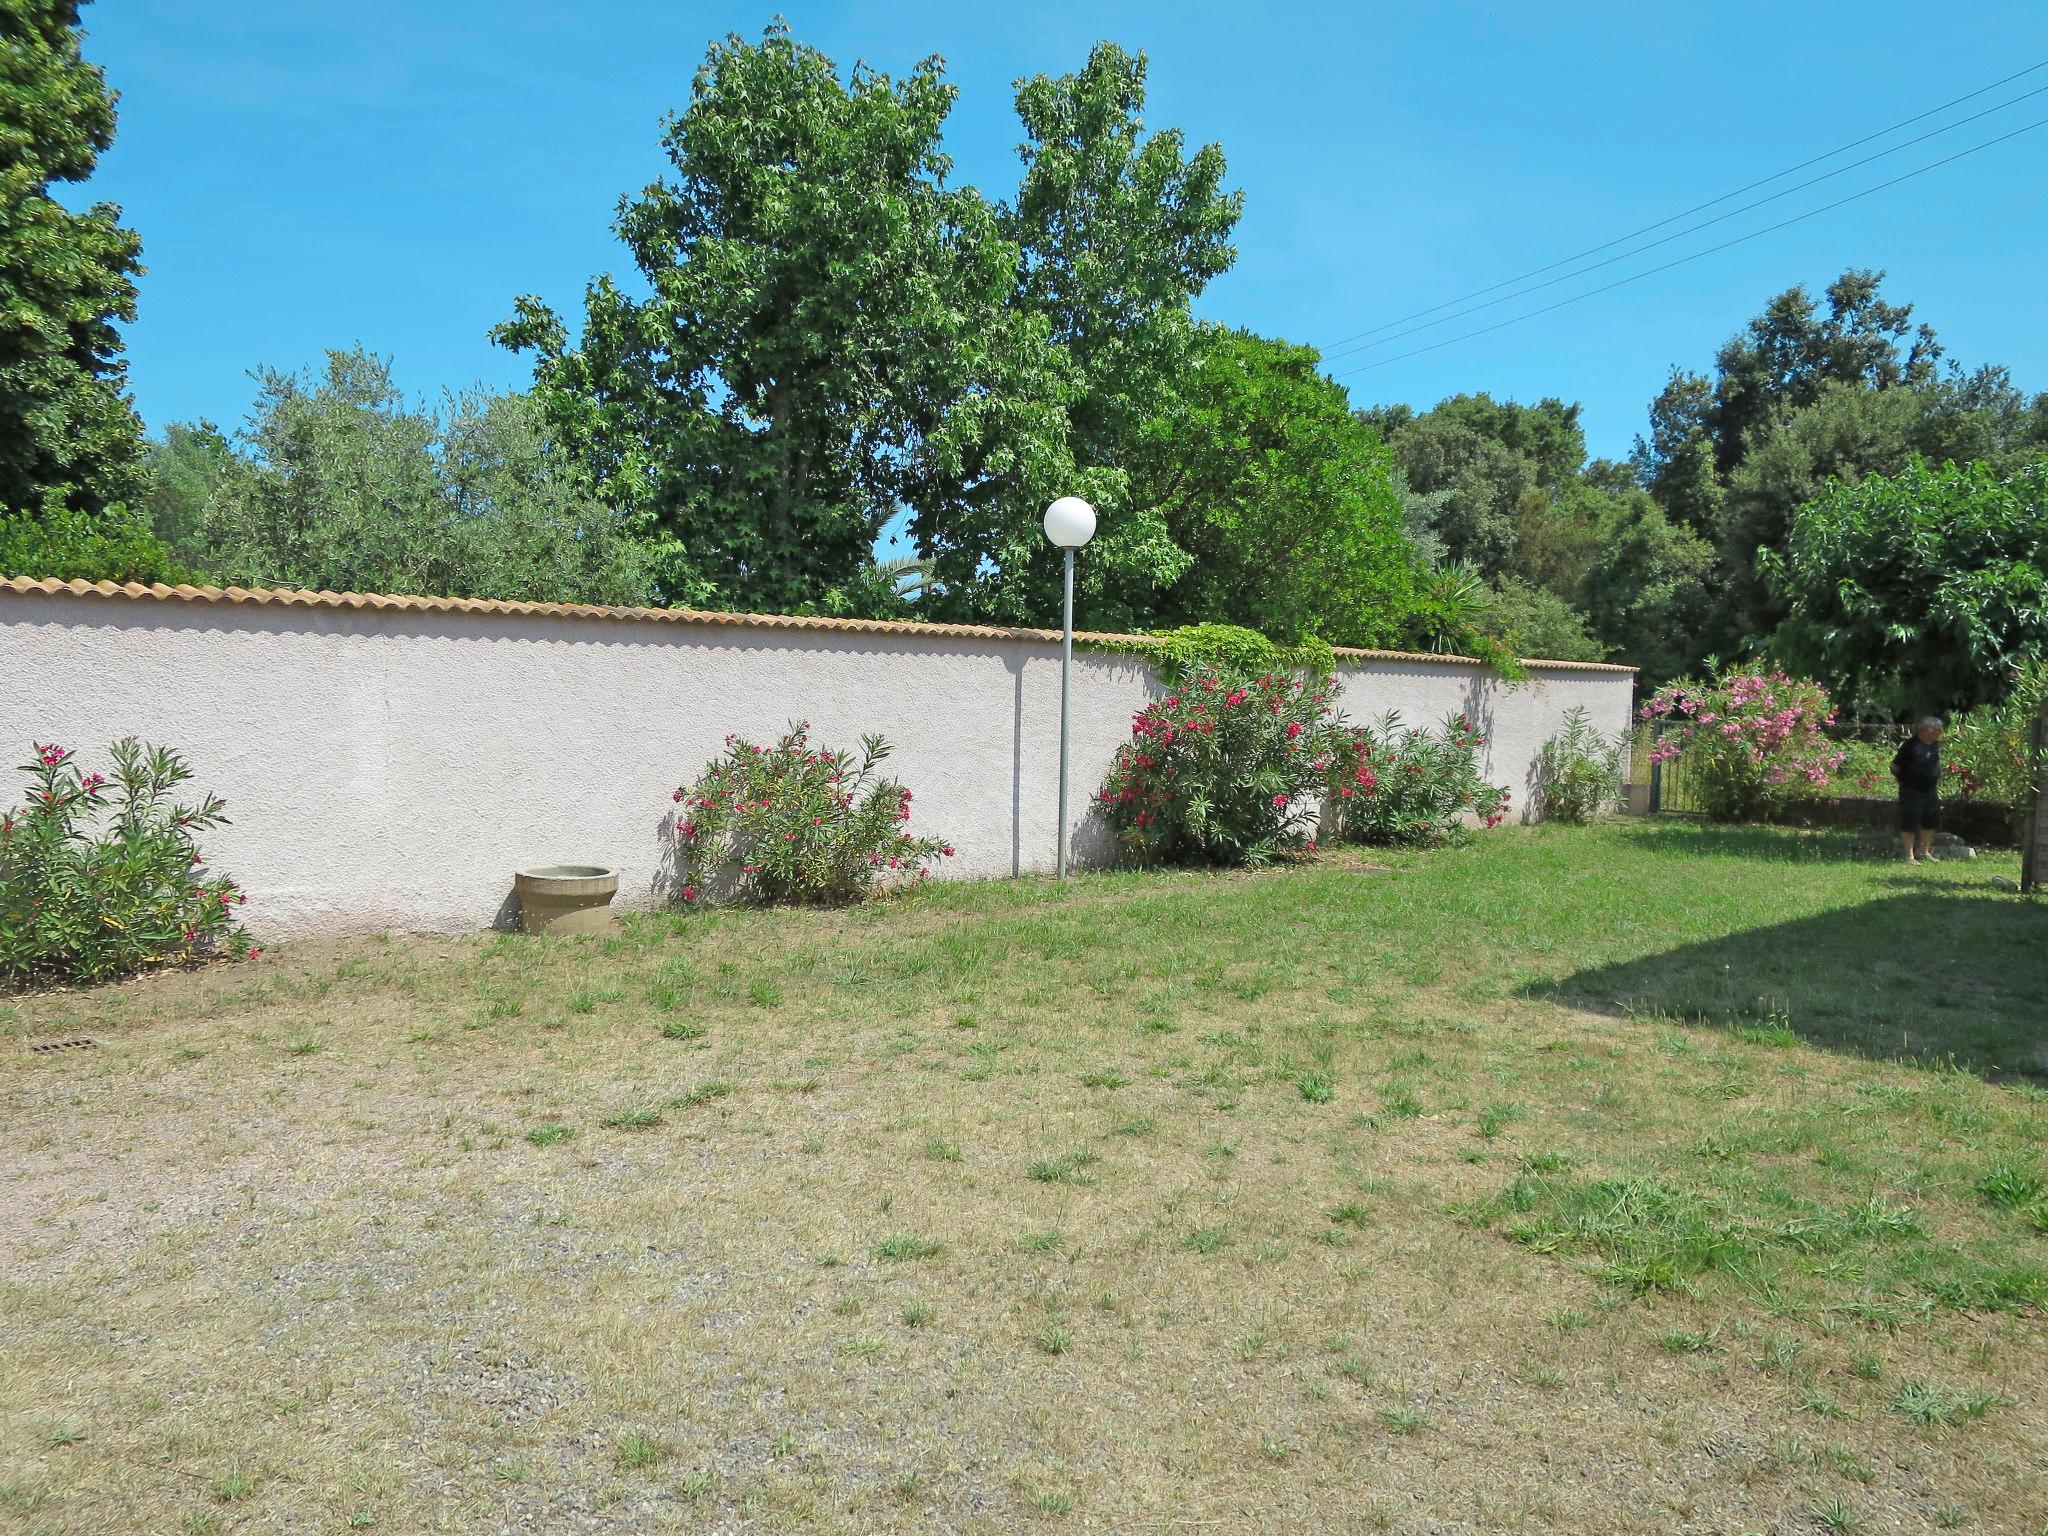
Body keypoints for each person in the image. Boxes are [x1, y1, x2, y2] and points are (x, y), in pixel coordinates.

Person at [1890, 717, 1944, 862]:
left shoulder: (1934, 744)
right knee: (1910, 821)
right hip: (1912, 790)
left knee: (1931, 820)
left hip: (1930, 790)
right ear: (1926, 730)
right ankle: (1909, 855)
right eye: (1937, 730)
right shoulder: (1910, 745)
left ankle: (1924, 852)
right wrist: (1907, 780)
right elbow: (1895, 767)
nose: (1940, 732)